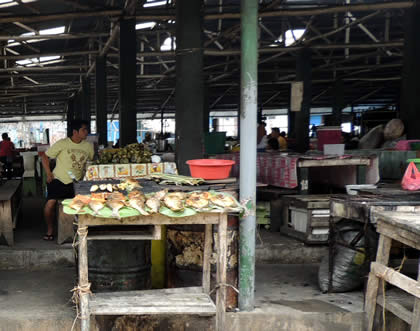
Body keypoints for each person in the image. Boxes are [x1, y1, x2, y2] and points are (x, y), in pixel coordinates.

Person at [42, 120, 94, 241]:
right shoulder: (62, 143)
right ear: (75, 132)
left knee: (81, 205)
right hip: (58, 179)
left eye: (86, 129)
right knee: (50, 204)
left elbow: (91, 162)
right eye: (84, 129)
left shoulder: (88, 146)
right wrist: (49, 173)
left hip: (77, 182)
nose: (87, 132)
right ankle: (50, 229)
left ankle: (78, 229)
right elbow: (44, 156)